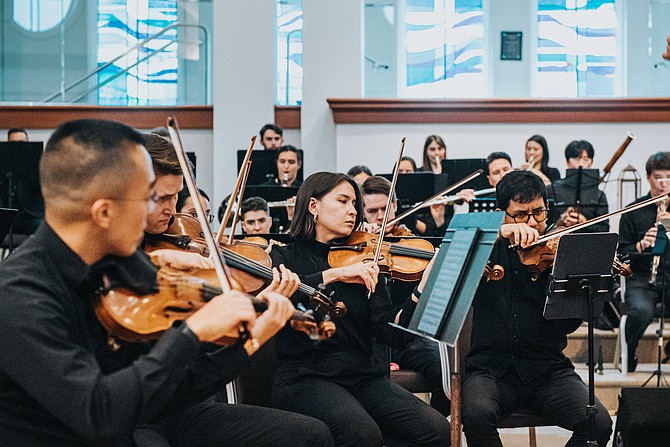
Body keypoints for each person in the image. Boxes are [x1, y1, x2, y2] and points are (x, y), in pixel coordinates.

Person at [0, 119, 333, 446]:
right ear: (103, 213)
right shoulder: (21, 295)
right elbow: (101, 414)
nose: (165, 214)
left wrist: (250, 339)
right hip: (99, 430)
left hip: (143, 417)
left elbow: (172, 391)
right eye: (148, 197)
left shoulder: (126, 265)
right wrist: (190, 333)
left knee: (310, 435)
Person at [269, 172, 451, 446]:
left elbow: (391, 334)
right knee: (362, 435)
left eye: (354, 203)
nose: (353, 210)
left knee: (437, 430)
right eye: (342, 201)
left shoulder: (364, 257)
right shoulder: (284, 257)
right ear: (313, 206)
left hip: (362, 376)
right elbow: (283, 291)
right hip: (305, 377)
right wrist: (336, 274)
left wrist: (420, 291)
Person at [461, 169, 612, 447]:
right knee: (475, 414)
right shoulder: (486, 246)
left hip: (547, 370)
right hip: (492, 369)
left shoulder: (559, 253)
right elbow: (456, 238)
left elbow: (566, 325)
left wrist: (578, 285)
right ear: (502, 213)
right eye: (521, 214)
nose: (532, 222)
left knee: (598, 423)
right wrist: (496, 230)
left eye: (539, 212)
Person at [360, 175, 450, 417]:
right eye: (372, 210)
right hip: (369, 339)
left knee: (446, 372)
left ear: (396, 207)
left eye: (385, 208)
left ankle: (434, 423)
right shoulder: (354, 245)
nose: (380, 216)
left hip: (407, 336)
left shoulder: (412, 243)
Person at [618, 151, 670, 372]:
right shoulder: (633, 211)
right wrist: (641, 244)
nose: (664, 183)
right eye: (659, 177)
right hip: (641, 278)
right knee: (639, 311)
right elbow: (621, 254)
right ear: (648, 177)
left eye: (669, 177)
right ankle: (629, 353)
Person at [548, 140, 608, 232]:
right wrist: (560, 222)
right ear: (567, 161)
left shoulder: (599, 196)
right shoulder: (551, 190)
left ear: (591, 162)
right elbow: (545, 226)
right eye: (576, 158)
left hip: (588, 244)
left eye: (586, 159)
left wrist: (585, 223)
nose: (580, 164)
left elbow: (604, 230)